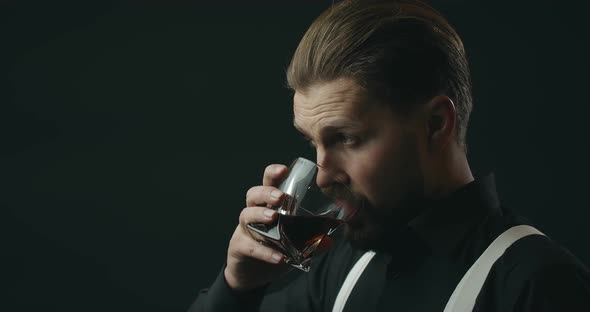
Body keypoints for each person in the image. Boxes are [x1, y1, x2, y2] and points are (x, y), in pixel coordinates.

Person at [188, 0, 590, 311]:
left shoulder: (537, 284)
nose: (323, 178)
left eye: (346, 138)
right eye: (313, 144)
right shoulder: (342, 266)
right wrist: (238, 284)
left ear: (435, 124)